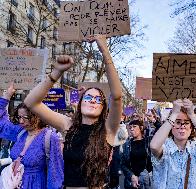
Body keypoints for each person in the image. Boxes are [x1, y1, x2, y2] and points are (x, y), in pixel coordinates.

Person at [24, 35, 122, 188]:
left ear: (103, 108)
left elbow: (116, 96)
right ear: (81, 102)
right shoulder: (67, 125)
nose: (92, 100)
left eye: (98, 100)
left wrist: (104, 49)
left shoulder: (108, 129)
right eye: (88, 97)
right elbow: (31, 102)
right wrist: (56, 72)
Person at [0, 84, 63, 189]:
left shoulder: (50, 138)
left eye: (25, 117)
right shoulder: (20, 132)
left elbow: (55, 174)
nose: (21, 121)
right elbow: (1, 123)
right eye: (19, 117)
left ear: (37, 116)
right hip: (13, 184)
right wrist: (6, 96)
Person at [150, 99, 196, 189]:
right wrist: (174, 114)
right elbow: (154, 146)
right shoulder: (165, 147)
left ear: (191, 127)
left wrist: (192, 116)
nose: (182, 126)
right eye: (177, 122)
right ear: (171, 126)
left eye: (186, 122)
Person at [121, 120, 152, 189]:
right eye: (130, 127)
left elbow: (160, 133)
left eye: (134, 126)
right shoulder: (126, 144)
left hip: (145, 181)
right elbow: (123, 164)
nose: (132, 129)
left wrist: (155, 121)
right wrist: (131, 176)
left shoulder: (148, 142)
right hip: (130, 182)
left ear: (141, 128)